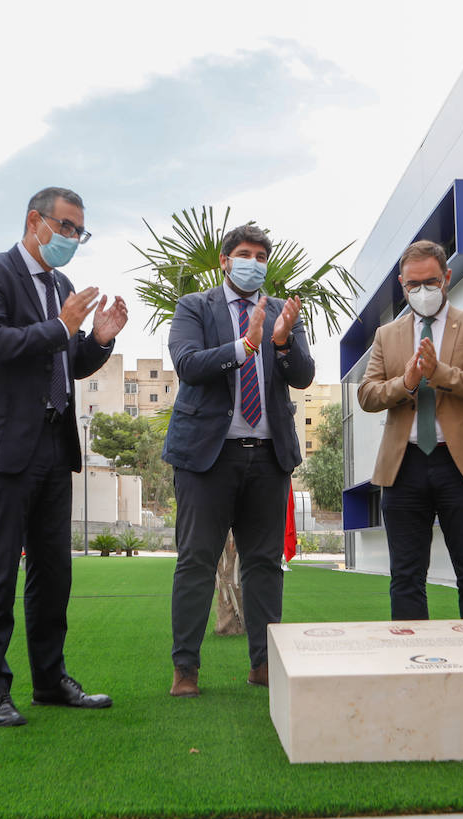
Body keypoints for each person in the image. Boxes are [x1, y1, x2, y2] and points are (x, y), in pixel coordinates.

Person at [0, 185, 128, 727]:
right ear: (35, 221)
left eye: (80, 230)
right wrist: (60, 326)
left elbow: (66, 361)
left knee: (54, 573)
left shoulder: (63, 286)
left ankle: (50, 680)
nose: (74, 238)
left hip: (55, 444)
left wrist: (96, 339)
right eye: (67, 227)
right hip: (4, 446)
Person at [162, 222, 315, 698]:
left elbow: (304, 376)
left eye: (261, 256)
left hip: (269, 458)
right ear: (226, 261)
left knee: (264, 564)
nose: (254, 262)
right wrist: (244, 347)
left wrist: (283, 341)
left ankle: (265, 665)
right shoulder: (194, 307)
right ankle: (185, 668)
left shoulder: (280, 314)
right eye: (245, 253)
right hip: (207, 458)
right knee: (195, 562)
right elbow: (187, 363)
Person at [356, 240, 463, 620]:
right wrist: (405, 383)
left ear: (447, 277)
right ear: (402, 286)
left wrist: (441, 374)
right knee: (405, 574)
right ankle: (413, 662)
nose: (422, 291)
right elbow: (368, 395)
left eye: (430, 282)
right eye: (413, 285)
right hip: (403, 466)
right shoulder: (386, 335)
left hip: (462, 465)